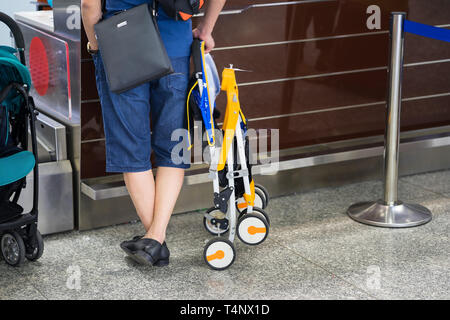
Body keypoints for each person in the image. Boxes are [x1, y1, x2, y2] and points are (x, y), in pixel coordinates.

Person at [81, 0, 226, 266]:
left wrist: (96, 47)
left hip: (121, 43)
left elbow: (89, 4)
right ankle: (154, 238)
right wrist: (206, 28)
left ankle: (156, 239)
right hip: (177, 45)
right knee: (172, 146)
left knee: (131, 146)